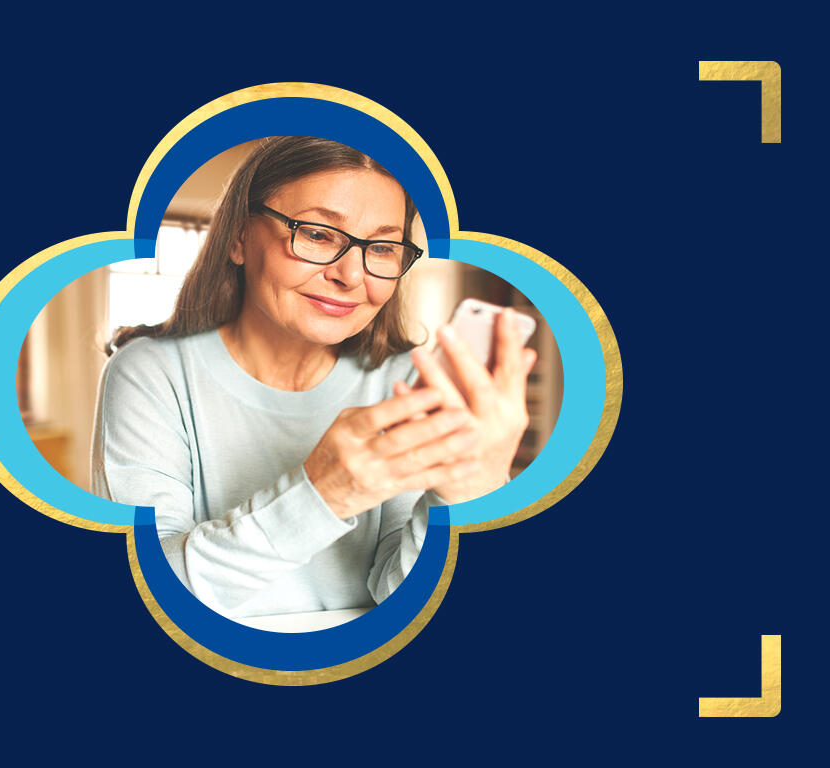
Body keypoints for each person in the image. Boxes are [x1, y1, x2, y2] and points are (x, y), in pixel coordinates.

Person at [91, 137, 535, 621]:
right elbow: (153, 591)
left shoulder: (406, 378)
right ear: (239, 238)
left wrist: (472, 491)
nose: (350, 276)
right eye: (319, 235)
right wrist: (325, 493)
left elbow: (406, 594)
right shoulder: (150, 373)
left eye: (382, 247)